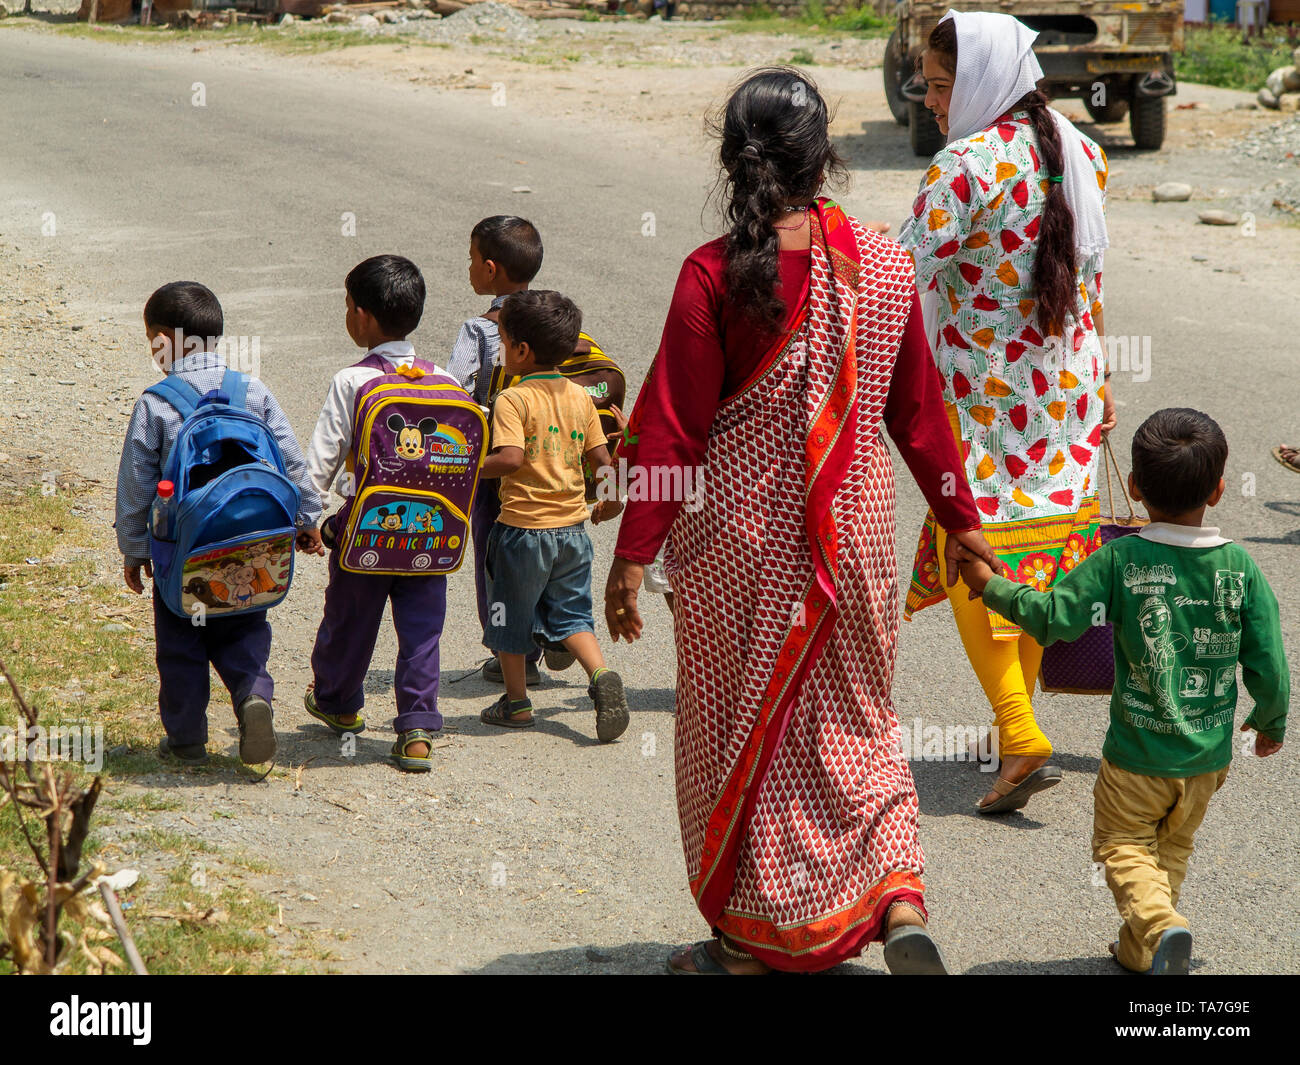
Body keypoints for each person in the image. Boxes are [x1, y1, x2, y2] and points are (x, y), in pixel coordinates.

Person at [603, 67, 1001, 975]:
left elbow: (669, 431)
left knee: (749, 735)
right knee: (859, 722)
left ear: (731, 157)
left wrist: (632, 557)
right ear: (828, 156)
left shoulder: (713, 271)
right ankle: (899, 899)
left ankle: (753, 941)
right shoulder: (887, 265)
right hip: (855, 539)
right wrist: (961, 518)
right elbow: (920, 412)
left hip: (739, 551)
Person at [956, 408, 1288, 974]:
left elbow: (1053, 617)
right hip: (1207, 759)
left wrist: (990, 587)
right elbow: (1269, 658)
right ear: (1219, 488)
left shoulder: (1120, 558)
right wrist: (1271, 721)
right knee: (1170, 852)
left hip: (1137, 756)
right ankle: (1141, 951)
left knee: (1123, 847)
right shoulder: (1240, 567)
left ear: (1133, 487)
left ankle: (1161, 926)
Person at [896, 10, 1117, 814]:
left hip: (986, 402)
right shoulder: (1082, 149)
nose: (928, 98)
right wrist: (1102, 381)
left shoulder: (964, 167)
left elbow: (895, 270)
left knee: (973, 547)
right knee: (1040, 551)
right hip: (1065, 394)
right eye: (927, 82)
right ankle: (1009, 723)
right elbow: (1091, 278)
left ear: (986, 82)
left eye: (943, 84)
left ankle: (1020, 729)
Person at [116, 281, 321, 766]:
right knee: (246, 627)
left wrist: (134, 548)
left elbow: (136, 486)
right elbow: (291, 463)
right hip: (253, 546)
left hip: (181, 551)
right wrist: (307, 518)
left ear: (164, 339)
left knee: (181, 639)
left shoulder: (156, 402)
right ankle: (253, 695)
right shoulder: (253, 390)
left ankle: (186, 739)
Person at [303, 255, 456, 773]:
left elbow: (323, 456)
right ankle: (417, 728)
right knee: (422, 630)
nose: (347, 316)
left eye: (347, 307)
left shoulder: (352, 380)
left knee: (350, 619)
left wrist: (307, 516)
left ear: (364, 318)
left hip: (366, 533)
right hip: (432, 535)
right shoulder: (446, 379)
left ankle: (339, 703)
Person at [475, 290, 628, 742]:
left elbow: (508, 458)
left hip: (522, 532)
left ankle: (517, 704)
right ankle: (600, 676)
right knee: (573, 616)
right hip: (573, 532)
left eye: (502, 342)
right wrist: (612, 498)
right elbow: (603, 459)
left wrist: (463, 469)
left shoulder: (512, 399)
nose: (502, 351)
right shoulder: (581, 397)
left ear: (521, 351)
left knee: (507, 618)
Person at [447, 215, 548, 686]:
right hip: (547, 458)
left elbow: (455, 396)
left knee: (493, 551)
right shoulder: (551, 318)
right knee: (547, 540)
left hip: (495, 463)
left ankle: (509, 649)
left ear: (490, 269)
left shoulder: (479, 330)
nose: (467, 267)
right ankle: (553, 626)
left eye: (470, 259)